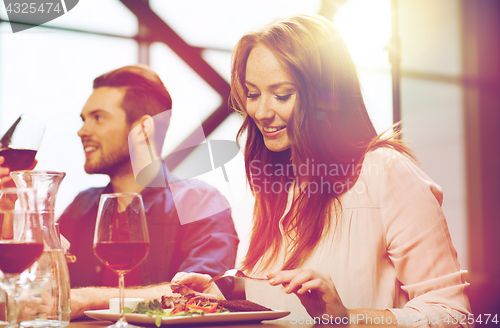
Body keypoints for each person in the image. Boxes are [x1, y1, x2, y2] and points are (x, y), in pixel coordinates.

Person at [173, 14, 472, 327]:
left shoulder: (387, 172)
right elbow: (287, 294)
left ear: (326, 98)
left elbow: (453, 315)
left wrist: (345, 319)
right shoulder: (279, 181)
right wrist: (226, 291)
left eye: (282, 95)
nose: (261, 112)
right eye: (252, 93)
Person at [19, 65, 238, 318]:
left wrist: (85, 299)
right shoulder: (81, 205)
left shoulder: (200, 201)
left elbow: (203, 294)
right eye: (84, 119)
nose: (82, 131)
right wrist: (13, 208)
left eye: (98, 117)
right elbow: (36, 285)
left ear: (143, 129)